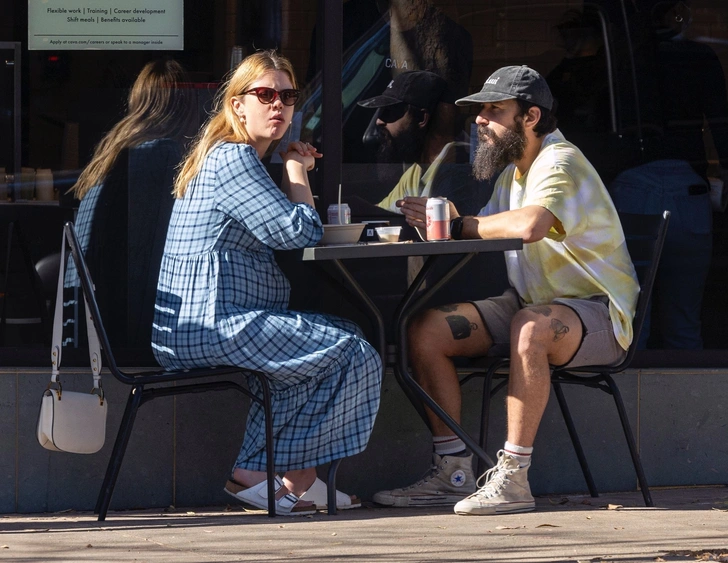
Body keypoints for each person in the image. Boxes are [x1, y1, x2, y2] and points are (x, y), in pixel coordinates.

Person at [372, 65, 639, 515]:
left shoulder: (560, 160)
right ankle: (453, 471)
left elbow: (529, 225)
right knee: (427, 330)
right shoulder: (514, 173)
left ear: (530, 117)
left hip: (598, 316)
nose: (479, 120)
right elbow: (487, 227)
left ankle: (514, 479)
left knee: (529, 329)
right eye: (480, 110)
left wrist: (460, 224)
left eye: (494, 110)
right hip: (532, 305)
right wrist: (444, 222)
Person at [151, 50, 382, 516]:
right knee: (354, 352)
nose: (278, 105)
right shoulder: (233, 158)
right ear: (237, 105)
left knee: (340, 342)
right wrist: (296, 171)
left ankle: (295, 477)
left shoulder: (231, 158)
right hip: (212, 325)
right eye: (264, 94)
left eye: (287, 96)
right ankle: (265, 476)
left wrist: (285, 165)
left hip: (212, 323)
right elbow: (297, 232)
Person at [65, 59, 197, 351]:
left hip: (85, 309)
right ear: (185, 105)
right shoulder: (161, 155)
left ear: (138, 100)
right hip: (126, 320)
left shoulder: (114, 148)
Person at [357, 70, 490, 216]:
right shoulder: (416, 171)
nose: (379, 120)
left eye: (390, 111)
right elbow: (382, 213)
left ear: (421, 118)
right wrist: (351, 206)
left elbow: (446, 230)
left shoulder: (458, 168)